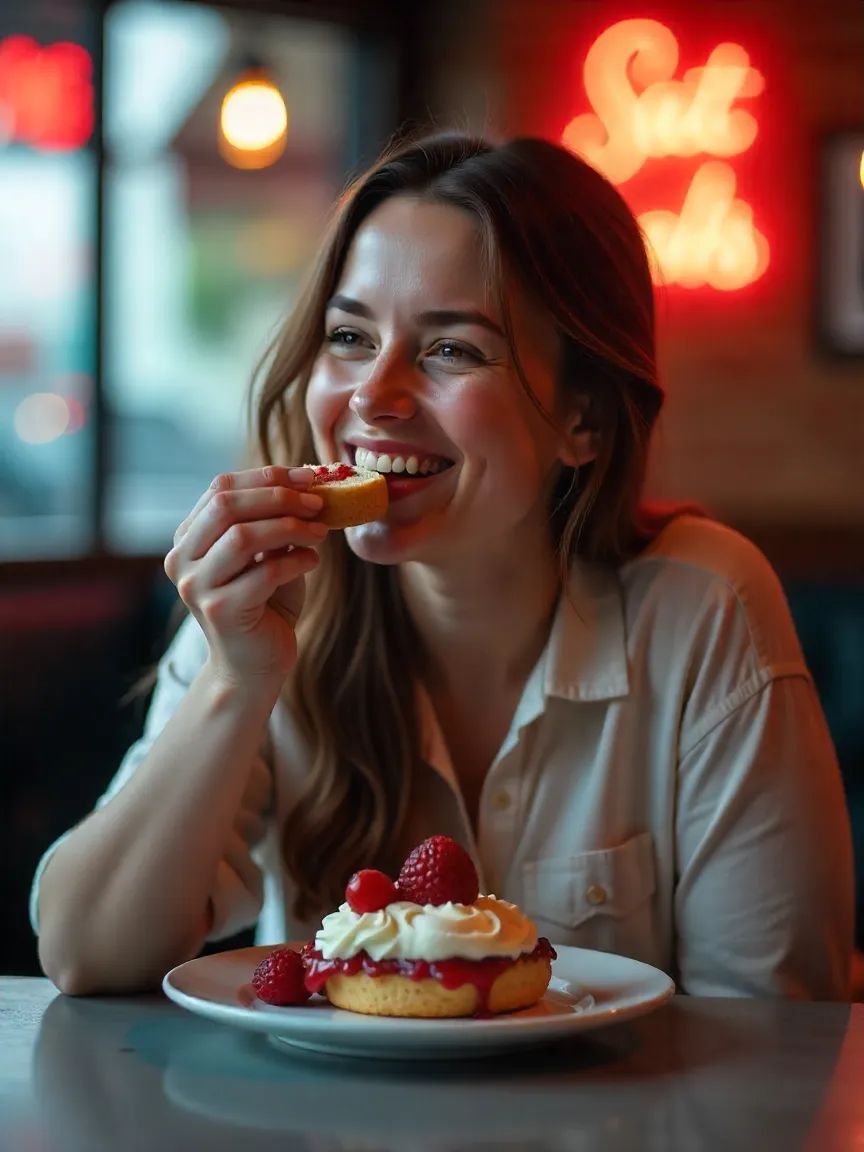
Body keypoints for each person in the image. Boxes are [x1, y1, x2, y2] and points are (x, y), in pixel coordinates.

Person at [32, 132, 854, 999]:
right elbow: (87, 954)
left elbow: (770, 1029)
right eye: (349, 335)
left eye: (451, 349)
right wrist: (236, 680)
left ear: (584, 420)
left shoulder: (703, 608)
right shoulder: (271, 604)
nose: (371, 397)